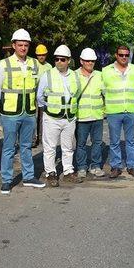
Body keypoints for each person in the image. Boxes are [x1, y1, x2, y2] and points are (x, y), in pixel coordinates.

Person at [0, 28, 45, 194]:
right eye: (20, 45)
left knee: (26, 146)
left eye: (26, 45)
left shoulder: (34, 64)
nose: (23, 48)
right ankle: (6, 181)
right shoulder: (4, 64)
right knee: (8, 148)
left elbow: (39, 87)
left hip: (29, 112)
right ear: (13, 45)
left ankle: (28, 177)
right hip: (10, 113)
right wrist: (1, 107)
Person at [37, 45, 82, 187]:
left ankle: (68, 171)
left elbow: (77, 94)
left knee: (68, 147)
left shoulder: (74, 75)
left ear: (68, 60)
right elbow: (39, 97)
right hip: (52, 118)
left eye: (62, 59)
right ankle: (51, 173)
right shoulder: (48, 75)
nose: (59, 62)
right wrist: (50, 108)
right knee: (50, 147)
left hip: (69, 118)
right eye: (56, 59)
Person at [102, 45, 134, 179]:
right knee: (114, 141)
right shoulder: (106, 71)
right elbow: (103, 90)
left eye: (126, 55)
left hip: (130, 111)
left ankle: (132, 166)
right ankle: (116, 167)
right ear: (116, 55)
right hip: (114, 112)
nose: (124, 57)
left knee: (131, 140)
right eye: (121, 55)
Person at [74, 47, 106, 179]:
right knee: (81, 144)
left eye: (92, 61)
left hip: (97, 115)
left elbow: (105, 93)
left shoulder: (99, 75)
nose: (90, 63)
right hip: (81, 116)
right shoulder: (74, 75)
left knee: (97, 142)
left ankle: (95, 166)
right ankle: (81, 167)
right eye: (87, 61)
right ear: (81, 61)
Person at [33, 43, 52, 148]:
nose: (41, 56)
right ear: (36, 55)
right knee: (34, 117)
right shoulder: (33, 64)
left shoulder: (49, 67)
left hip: (45, 96)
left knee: (44, 118)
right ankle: (34, 138)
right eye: (39, 54)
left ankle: (42, 138)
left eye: (43, 54)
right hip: (33, 95)